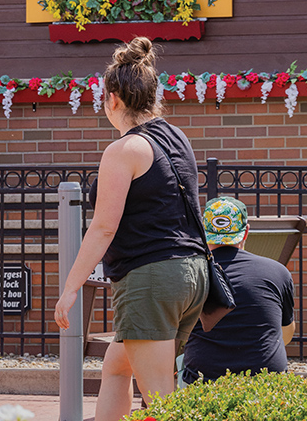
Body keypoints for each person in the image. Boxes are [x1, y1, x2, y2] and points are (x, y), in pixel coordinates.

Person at [53, 36, 209, 420]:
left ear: (113, 99)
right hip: (192, 274)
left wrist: (70, 288)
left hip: (151, 280)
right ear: (154, 97)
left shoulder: (123, 150)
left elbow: (104, 227)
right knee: (117, 367)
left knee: (162, 400)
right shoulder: (177, 139)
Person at [181, 196, 295, 385]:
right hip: (267, 386)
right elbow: (286, 335)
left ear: (203, 232)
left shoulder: (188, 274)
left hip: (204, 385)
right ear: (246, 232)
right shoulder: (277, 272)